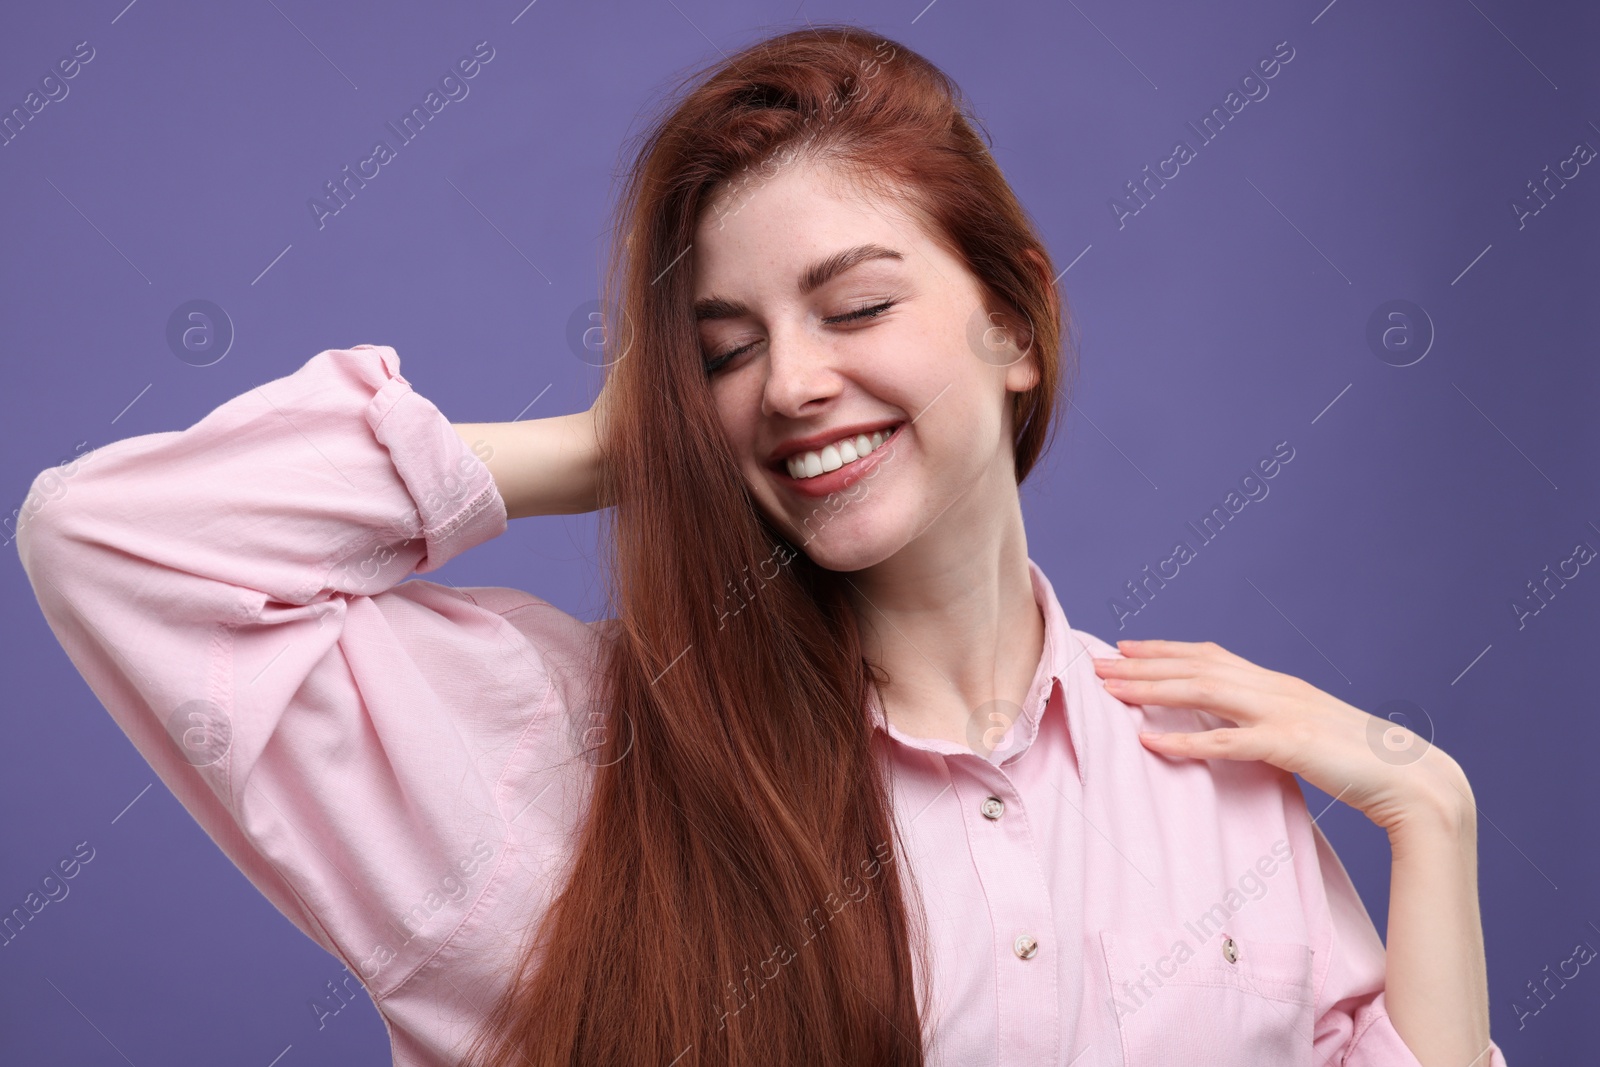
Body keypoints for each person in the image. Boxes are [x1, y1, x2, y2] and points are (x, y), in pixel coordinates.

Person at [15, 23, 1503, 1067]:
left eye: (855, 309)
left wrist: (1428, 810)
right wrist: (603, 450)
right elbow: (111, 541)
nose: (790, 383)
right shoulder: (571, 756)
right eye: (723, 350)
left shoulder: (1210, 777)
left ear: (1013, 321)